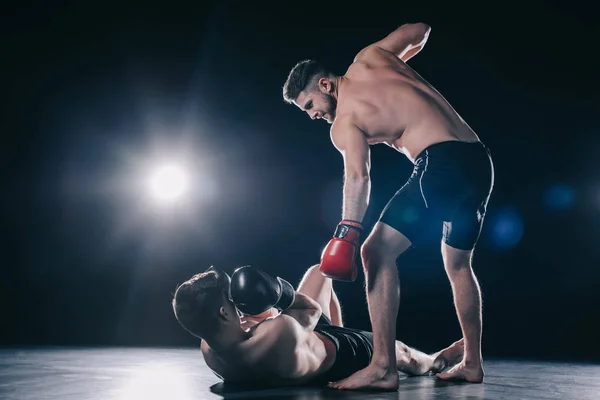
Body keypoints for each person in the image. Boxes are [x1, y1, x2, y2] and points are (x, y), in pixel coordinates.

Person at [282, 22, 494, 390]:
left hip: (441, 164)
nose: (313, 115)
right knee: (458, 264)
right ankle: (472, 363)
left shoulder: (344, 122)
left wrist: (347, 230)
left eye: (311, 105)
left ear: (325, 84)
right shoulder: (373, 57)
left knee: (374, 253)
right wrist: (400, 65)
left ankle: (383, 366)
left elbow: (359, 178)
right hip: (478, 160)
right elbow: (420, 29)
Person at [172, 264, 464, 387]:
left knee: (321, 272)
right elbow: (310, 309)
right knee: (403, 354)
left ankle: (343, 328)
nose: (236, 297)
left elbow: (249, 345)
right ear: (224, 312)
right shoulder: (276, 333)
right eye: (230, 296)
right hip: (341, 354)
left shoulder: (209, 347)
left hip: (301, 345)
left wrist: (248, 319)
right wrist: (277, 290)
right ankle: (437, 362)